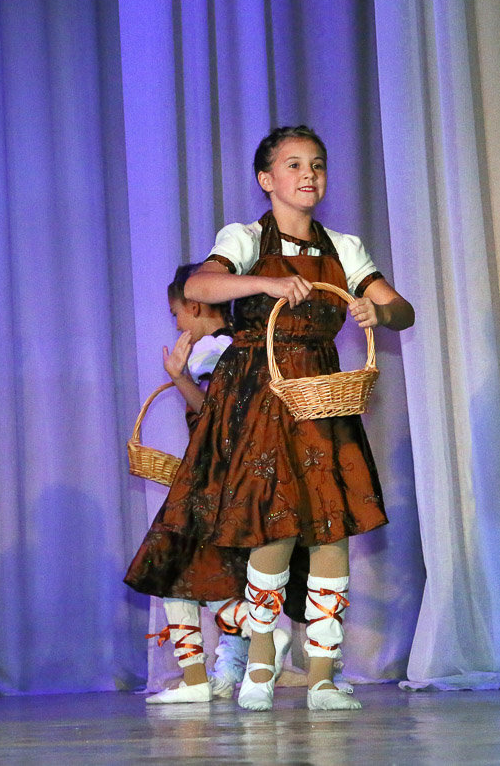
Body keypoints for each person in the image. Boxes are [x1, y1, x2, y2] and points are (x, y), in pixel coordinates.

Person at [126, 125, 414, 711]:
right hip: (259, 389)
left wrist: (375, 312)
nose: (309, 174)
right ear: (267, 179)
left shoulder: (344, 246)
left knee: (330, 524)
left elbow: (401, 310)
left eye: (317, 164)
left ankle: (323, 675)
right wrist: (267, 282)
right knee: (274, 519)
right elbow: (200, 283)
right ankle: (260, 659)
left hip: (318, 393)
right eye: (293, 164)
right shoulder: (246, 237)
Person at [144, 264, 250, 704]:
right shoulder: (238, 344)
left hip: (212, 476)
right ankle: (226, 662)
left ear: (196, 305)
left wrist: (179, 376)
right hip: (230, 474)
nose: (176, 324)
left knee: (172, 567)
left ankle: (207, 668)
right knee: (217, 573)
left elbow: (213, 416)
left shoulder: (211, 348)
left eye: (177, 314)